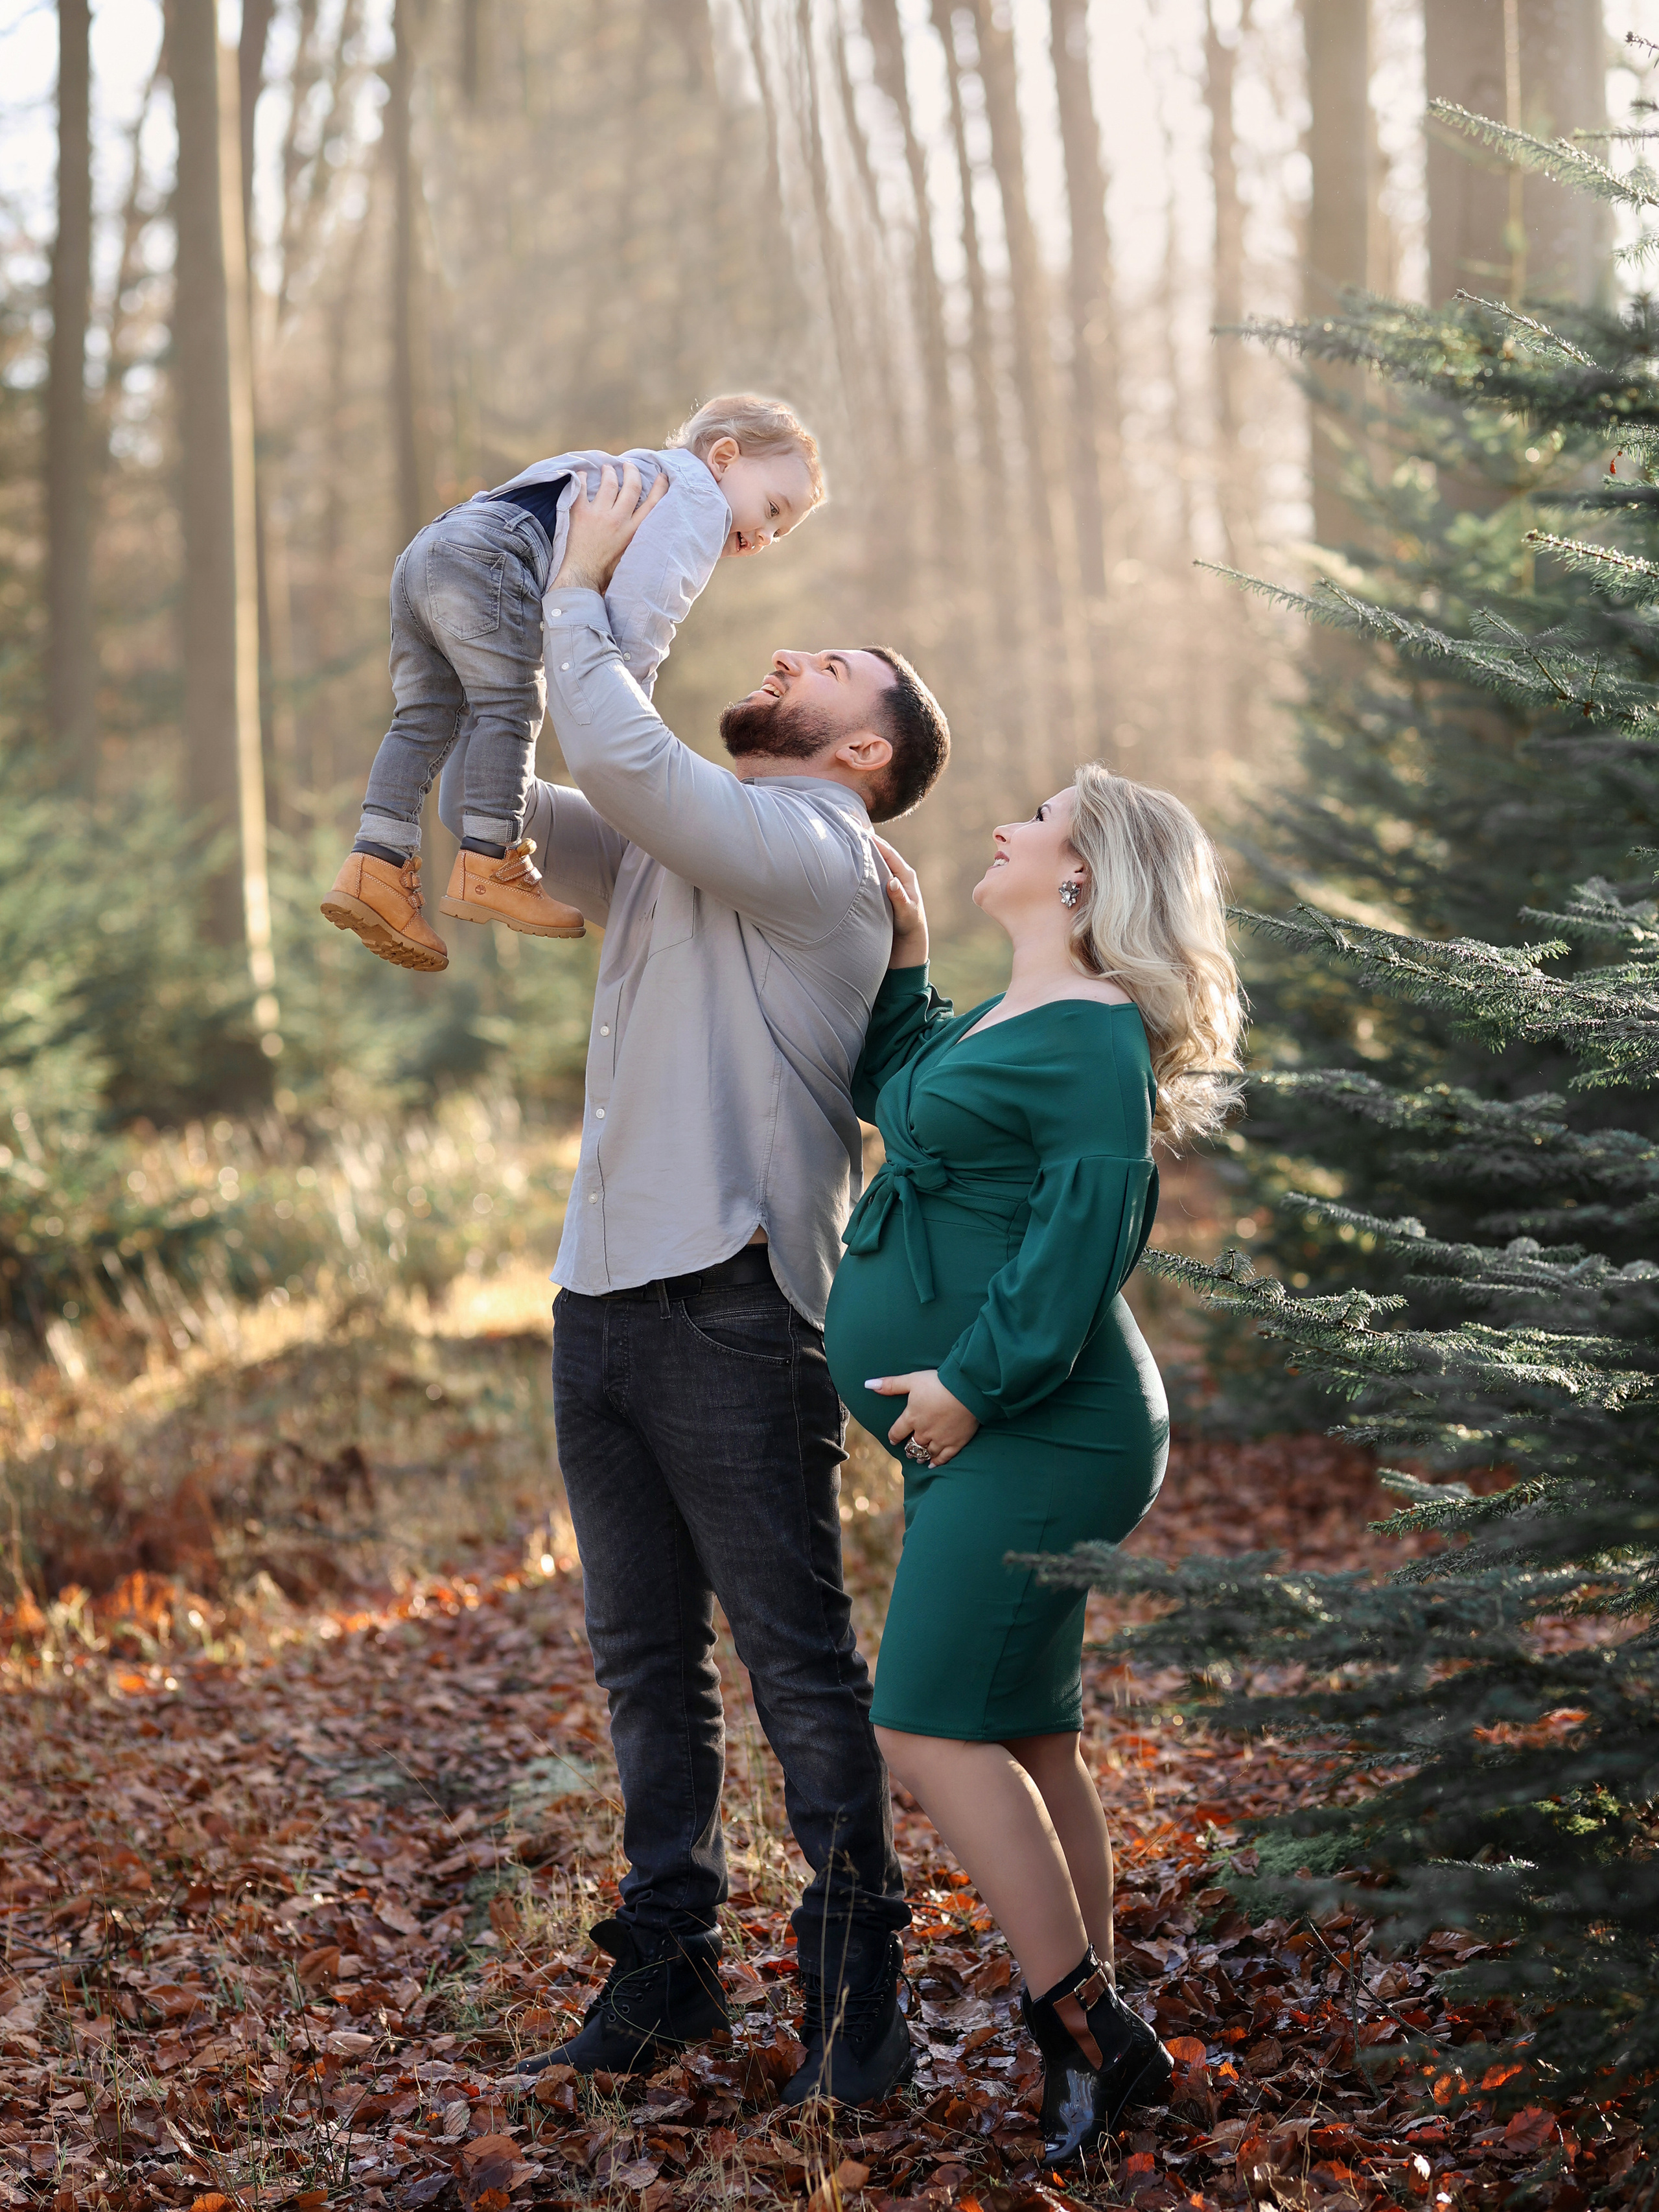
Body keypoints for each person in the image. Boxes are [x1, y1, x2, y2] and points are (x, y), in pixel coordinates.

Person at [503, 467, 951, 2106]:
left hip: (738, 1303)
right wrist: (486, 643)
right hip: (602, 1295)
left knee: (794, 1660)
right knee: (639, 1660)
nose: (791, 658)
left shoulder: (815, 860)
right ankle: (671, 1969)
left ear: (863, 754)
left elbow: (620, 756)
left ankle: (860, 2000)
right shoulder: (685, 844)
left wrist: (588, 593)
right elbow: (546, 808)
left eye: (829, 666)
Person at [822, 767, 1245, 2163]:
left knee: (923, 1721)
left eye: (1037, 816)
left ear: (1078, 875)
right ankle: (1085, 2045)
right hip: (994, 1424)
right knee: (1023, 1730)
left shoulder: (1089, 1036)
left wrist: (966, 1380)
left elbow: (1088, 1230)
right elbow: (900, 1090)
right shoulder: (1013, 1011)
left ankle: (1086, 2032)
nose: (1004, 822)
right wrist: (904, 961)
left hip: (1042, 1423)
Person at [321, 395, 824, 973]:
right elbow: (645, 618)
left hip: (431, 549)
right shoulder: (699, 505)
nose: (765, 535)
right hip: (497, 556)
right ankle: (490, 861)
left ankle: (375, 865)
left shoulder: (634, 468)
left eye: (780, 533)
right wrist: (626, 716)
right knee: (509, 706)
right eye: (772, 508)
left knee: (423, 717)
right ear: (725, 457)